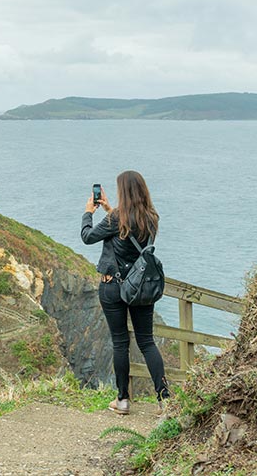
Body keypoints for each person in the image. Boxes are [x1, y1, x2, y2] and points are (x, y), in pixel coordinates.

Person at [81, 170, 170, 415]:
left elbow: (87, 237)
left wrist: (89, 212)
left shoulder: (116, 219)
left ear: (124, 191)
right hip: (140, 287)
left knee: (120, 342)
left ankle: (122, 400)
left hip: (113, 287)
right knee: (147, 341)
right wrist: (110, 210)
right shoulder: (152, 218)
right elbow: (129, 235)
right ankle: (165, 399)